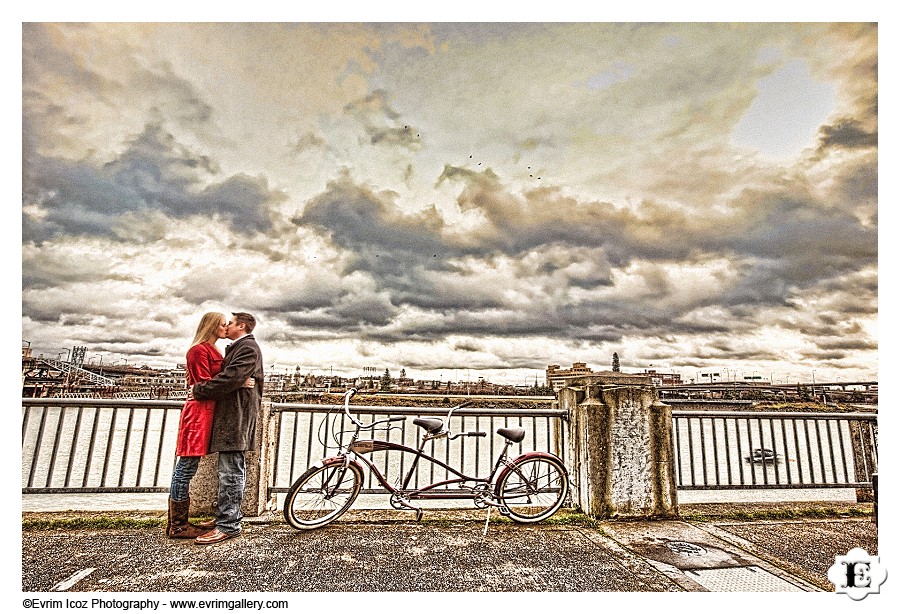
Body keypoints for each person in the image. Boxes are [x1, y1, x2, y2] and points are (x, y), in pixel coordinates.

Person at [191, 312, 264, 545]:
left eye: (230, 323)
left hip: (237, 416)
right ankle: (225, 517)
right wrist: (237, 381)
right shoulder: (239, 348)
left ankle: (229, 524)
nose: (227, 326)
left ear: (241, 326)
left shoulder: (247, 348)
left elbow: (229, 378)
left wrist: (199, 390)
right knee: (228, 470)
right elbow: (231, 378)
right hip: (232, 415)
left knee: (231, 471)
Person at [166, 312, 227, 538]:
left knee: (187, 468)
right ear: (211, 326)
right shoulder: (198, 350)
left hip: (206, 413)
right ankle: (178, 525)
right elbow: (205, 384)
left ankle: (177, 523)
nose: (225, 327)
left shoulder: (211, 350)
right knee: (185, 469)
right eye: (222, 324)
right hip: (198, 414)